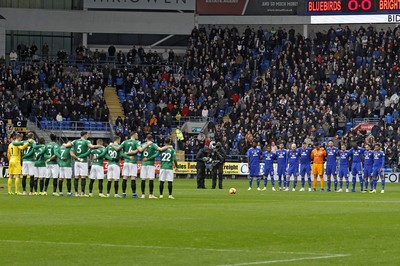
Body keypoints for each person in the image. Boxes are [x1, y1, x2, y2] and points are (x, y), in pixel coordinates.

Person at [66, 131, 100, 197]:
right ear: (84, 135)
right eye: (87, 135)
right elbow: (92, 147)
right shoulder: (86, 141)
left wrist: (64, 144)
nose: (88, 136)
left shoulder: (75, 141)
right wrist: (99, 146)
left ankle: (76, 193)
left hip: (76, 161)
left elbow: (67, 145)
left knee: (76, 177)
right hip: (83, 161)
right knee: (83, 177)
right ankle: (82, 193)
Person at [120, 132, 150, 198]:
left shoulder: (124, 142)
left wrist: (127, 155)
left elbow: (120, 151)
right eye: (137, 134)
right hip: (132, 162)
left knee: (125, 177)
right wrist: (147, 144)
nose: (137, 135)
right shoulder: (137, 142)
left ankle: (124, 194)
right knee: (133, 178)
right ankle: (133, 194)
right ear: (133, 135)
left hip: (126, 162)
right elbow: (141, 150)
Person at [140, 134, 171, 198]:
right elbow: (160, 149)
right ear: (151, 139)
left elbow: (139, 151)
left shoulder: (142, 145)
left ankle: (143, 195)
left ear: (146, 138)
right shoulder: (153, 144)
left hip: (143, 163)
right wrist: (168, 147)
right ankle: (150, 195)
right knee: (151, 179)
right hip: (150, 163)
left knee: (143, 179)